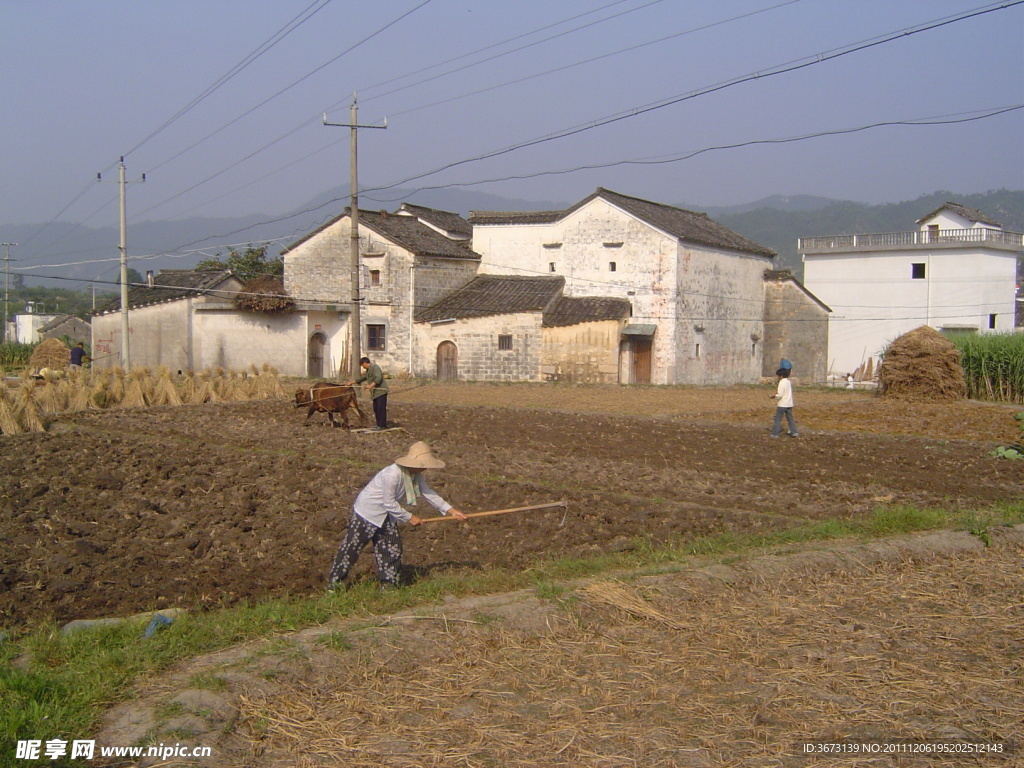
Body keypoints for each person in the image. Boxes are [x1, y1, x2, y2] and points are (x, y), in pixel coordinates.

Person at [327, 441, 467, 589]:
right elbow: (390, 503)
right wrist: (410, 517)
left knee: (391, 549)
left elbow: (428, 493)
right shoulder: (392, 474)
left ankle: (389, 585)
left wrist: (450, 510)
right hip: (367, 512)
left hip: (387, 515)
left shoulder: (415, 475)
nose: (425, 468)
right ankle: (335, 583)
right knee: (352, 548)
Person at [347, 356, 388, 430]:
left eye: (363, 366)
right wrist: (352, 382)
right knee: (376, 409)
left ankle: (382, 425)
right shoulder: (369, 370)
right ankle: (378, 424)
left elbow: (378, 378)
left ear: (365, 363)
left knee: (380, 408)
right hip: (375, 393)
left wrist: (370, 385)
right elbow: (363, 378)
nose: (363, 367)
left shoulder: (375, 367)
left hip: (381, 392)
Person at [769, 367, 799, 438]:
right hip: (789, 403)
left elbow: (780, 395)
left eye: (778, 376)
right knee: (790, 419)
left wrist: (773, 396)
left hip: (782, 404)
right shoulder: (788, 382)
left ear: (781, 376)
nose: (778, 377)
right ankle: (794, 432)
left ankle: (775, 433)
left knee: (777, 419)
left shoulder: (781, 383)